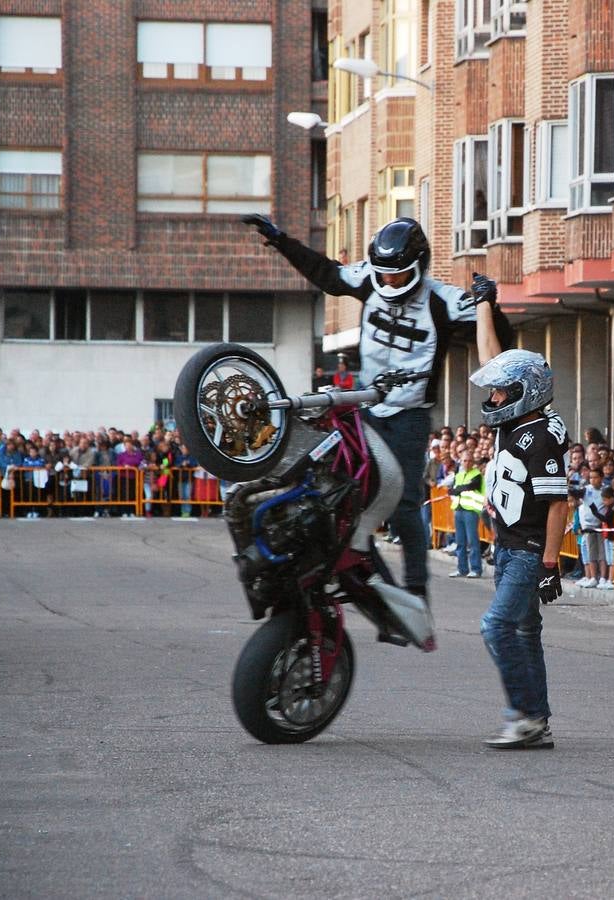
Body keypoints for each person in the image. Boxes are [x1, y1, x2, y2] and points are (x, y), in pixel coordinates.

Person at [243, 212, 513, 599]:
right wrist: (282, 240)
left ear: (417, 266)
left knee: (403, 502)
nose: (388, 281)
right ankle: (370, 577)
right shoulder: (369, 279)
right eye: (383, 273)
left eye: (397, 275)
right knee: (345, 493)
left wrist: (490, 304)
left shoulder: (443, 300)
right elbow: (327, 274)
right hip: (365, 407)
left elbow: (499, 339)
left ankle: (417, 590)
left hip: (409, 416)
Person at [469, 349, 569, 749]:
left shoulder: (542, 436)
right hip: (507, 546)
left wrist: (549, 562)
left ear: (525, 392)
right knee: (526, 632)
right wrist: (483, 307)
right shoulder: (513, 422)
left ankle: (524, 715)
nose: (493, 399)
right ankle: (538, 720)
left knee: (496, 626)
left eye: (500, 392)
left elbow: (558, 502)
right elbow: (490, 351)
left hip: (528, 551)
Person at [446, 447, 485, 579]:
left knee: (472, 542)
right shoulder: (459, 475)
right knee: (460, 542)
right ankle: (462, 569)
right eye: (464, 461)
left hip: (470, 511)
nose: (467, 463)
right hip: (458, 510)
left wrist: (457, 489)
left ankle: (476, 569)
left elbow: (470, 486)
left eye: (469, 460)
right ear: (461, 462)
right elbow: (451, 490)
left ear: (473, 461)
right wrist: (456, 489)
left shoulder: (477, 475)